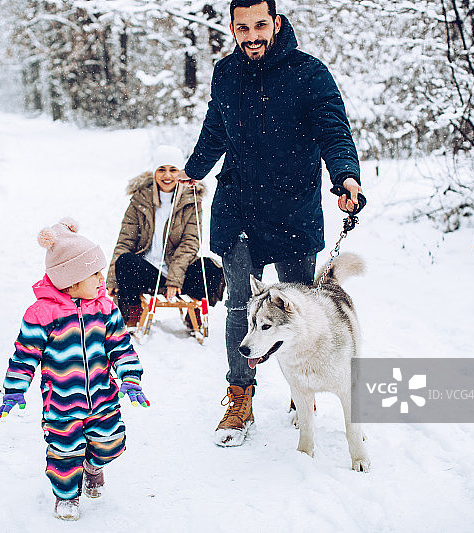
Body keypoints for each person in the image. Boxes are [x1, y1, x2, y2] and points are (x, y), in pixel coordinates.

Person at [178, 0, 365, 447]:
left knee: (299, 309)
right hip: (237, 210)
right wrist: (193, 170)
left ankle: (301, 393)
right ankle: (240, 396)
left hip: (293, 213)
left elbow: (333, 130)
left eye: (261, 24)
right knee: (240, 305)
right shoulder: (226, 74)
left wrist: (345, 176)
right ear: (233, 28)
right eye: (243, 27)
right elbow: (215, 130)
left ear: (276, 23)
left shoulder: (309, 73)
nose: (252, 35)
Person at [0, 218, 149, 521]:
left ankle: (93, 466)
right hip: (62, 402)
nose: (102, 279)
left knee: (111, 442)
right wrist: (14, 390)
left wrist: (130, 378)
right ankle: (66, 496)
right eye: (94, 274)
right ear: (71, 279)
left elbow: (121, 346)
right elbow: (25, 354)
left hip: (103, 396)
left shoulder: (105, 309)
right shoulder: (42, 314)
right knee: (64, 452)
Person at [107, 145, 224, 330]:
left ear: (181, 172)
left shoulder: (192, 199)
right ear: (154, 171)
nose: (167, 176)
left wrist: (175, 278)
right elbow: (125, 241)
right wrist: (113, 279)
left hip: (179, 270)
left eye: (173, 170)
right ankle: (133, 309)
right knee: (125, 262)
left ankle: (194, 312)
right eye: (161, 169)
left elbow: (190, 242)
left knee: (211, 269)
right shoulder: (140, 200)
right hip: (148, 272)